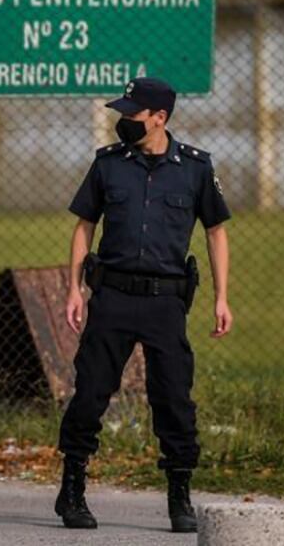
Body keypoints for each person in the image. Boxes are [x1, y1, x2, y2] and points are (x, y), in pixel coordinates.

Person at [55, 76, 232, 533]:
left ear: (159, 118)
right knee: (91, 391)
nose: (123, 121)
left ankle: (179, 493)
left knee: (173, 397)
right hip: (111, 297)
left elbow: (216, 231)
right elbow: (83, 226)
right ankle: (72, 489)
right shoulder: (108, 164)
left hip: (165, 302)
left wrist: (222, 298)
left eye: (132, 114)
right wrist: (74, 288)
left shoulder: (195, 168)